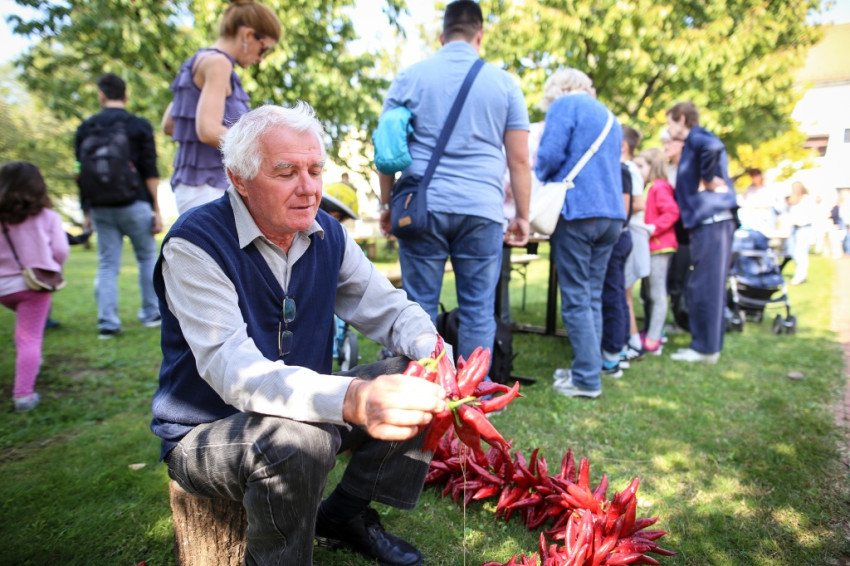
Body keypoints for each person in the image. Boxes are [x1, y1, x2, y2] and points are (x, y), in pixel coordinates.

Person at [150, 103, 449, 566]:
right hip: (207, 431)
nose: (308, 188)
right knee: (298, 440)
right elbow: (233, 370)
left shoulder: (327, 233)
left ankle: (345, 514)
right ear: (238, 179)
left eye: (315, 170)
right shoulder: (195, 243)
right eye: (286, 172)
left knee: (421, 378)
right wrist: (353, 398)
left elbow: (389, 308)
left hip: (300, 412)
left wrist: (436, 353)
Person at [376, 0, 531, 374]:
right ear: (480, 35)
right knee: (478, 309)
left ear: (442, 36)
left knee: (418, 307)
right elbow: (520, 160)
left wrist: (387, 204)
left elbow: (386, 146)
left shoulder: (410, 77)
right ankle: (474, 395)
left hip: (422, 208)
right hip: (482, 210)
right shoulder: (505, 84)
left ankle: (416, 393)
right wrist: (523, 216)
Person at [535, 68, 625, 398]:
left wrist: (540, 174)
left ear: (556, 88)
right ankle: (588, 366)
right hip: (611, 215)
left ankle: (586, 379)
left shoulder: (565, 105)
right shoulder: (610, 117)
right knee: (592, 295)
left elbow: (549, 157)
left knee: (575, 298)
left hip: (577, 211)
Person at [161, 0, 281, 215]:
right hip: (209, 188)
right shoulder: (219, 64)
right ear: (247, 35)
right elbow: (208, 130)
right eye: (264, 49)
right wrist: (262, 149)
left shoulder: (196, 62)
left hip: (193, 185)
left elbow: (169, 125)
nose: (260, 59)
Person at [74, 73, 163, 338]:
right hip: (136, 203)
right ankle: (151, 313)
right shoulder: (138, 126)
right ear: (126, 95)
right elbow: (150, 169)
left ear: (101, 95)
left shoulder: (85, 128)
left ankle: (108, 322)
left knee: (107, 264)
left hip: (100, 206)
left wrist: (86, 210)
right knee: (146, 257)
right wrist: (156, 209)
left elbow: (80, 171)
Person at [666, 101, 738, 364]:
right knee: (705, 284)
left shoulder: (697, 137)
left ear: (681, 119)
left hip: (712, 221)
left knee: (706, 285)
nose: (668, 129)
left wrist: (707, 177)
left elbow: (713, 147)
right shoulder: (694, 141)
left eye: (670, 122)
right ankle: (707, 346)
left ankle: (705, 349)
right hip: (708, 222)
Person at [0, 162, 70, 412]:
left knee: (24, 333)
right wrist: (53, 266)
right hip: (33, 286)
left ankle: (30, 363)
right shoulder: (47, 217)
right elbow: (61, 250)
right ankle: (23, 395)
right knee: (29, 337)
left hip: (3, 288)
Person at [635, 147, 680, 354]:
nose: (638, 170)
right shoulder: (650, 187)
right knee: (650, 293)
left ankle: (654, 339)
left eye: (641, 166)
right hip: (652, 246)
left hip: (660, 247)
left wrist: (653, 228)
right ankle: (652, 332)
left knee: (657, 293)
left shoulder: (659, 187)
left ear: (653, 166)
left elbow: (672, 212)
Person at [620, 125, 651, 365]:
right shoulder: (630, 168)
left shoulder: (628, 169)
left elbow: (638, 204)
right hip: (632, 235)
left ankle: (633, 343)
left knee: (625, 293)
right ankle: (630, 341)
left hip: (632, 233)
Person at [779, 180, 817, 285]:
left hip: (803, 228)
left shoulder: (806, 200)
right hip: (793, 228)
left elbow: (809, 215)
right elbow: (783, 210)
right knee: (791, 251)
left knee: (801, 252)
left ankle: (800, 276)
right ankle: (801, 273)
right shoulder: (791, 200)